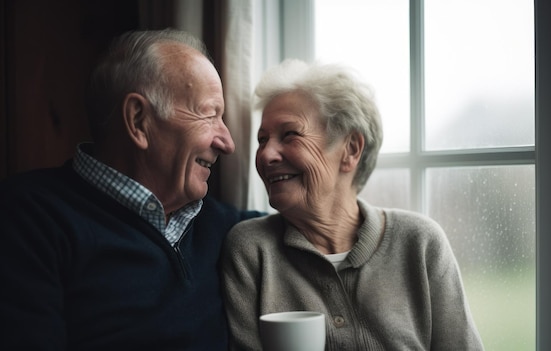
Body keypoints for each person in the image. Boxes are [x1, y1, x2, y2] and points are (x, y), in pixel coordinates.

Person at [0, 28, 262, 350]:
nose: (228, 143)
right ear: (139, 121)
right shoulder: (26, 218)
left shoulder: (224, 226)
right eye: (209, 115)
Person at [220, 59, 484, 350]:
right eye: (262, 139)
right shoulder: (251, 251)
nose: (266, 154)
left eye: (290, 134)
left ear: (351, 149)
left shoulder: (420, 243)